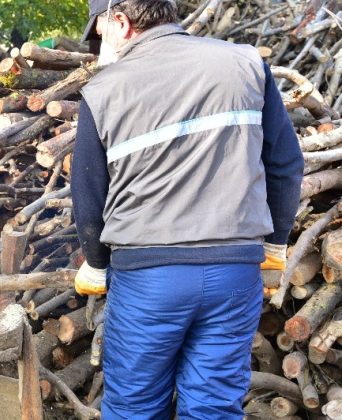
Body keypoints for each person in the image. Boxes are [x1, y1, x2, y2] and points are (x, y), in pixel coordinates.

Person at [71, 0, 304, 417]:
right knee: (213, 407)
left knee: (135, 406)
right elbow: (285, 164)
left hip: (148, 279)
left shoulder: (105, 89)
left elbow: (89, 192)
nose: (101, 43)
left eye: (101, 32)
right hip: (234, 273)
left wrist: (96, 262)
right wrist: (275, 244)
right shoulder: (245, 63)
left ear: (121, 20)